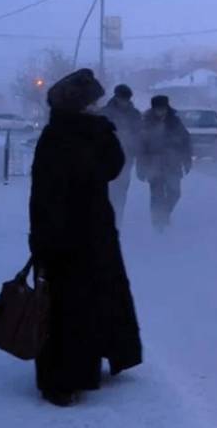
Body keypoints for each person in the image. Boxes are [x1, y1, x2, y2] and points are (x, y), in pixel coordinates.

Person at [29, 68, 142, 407]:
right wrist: (103, 132)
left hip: (69, 234)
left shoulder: (58, 134)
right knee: (73, 308)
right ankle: (64, 381)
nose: (97, 107)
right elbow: (108, 168)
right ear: (80, 105)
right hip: (76, 235)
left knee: (78, 304)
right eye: (92, 102)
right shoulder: (85, 135)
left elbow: (108, 170)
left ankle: (79, 370)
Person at [137, 95, 192, 231]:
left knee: (175, 193)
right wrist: (141, 168)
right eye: (158, 109)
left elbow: (186, 141)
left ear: (167, 108)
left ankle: (164, 214)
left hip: (173, 163)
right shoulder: (146, 122)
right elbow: (141, 147)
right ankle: (157, 224)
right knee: (156, 195)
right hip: (153, 164)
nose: (161, 112)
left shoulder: (175, 121)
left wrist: (187, 160)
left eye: (163, 109)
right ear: (153, 109)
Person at [99, 84, 142, 225]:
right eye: (121, 98)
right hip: (105, 158)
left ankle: (118, 220)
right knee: (106, 191)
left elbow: (139, 134)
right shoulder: (105, 113)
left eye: (126, 99)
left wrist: (136, 149)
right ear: (116, 97)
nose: (124, 101)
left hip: (126, 158)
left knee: (121, 190)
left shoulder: (135, 114)